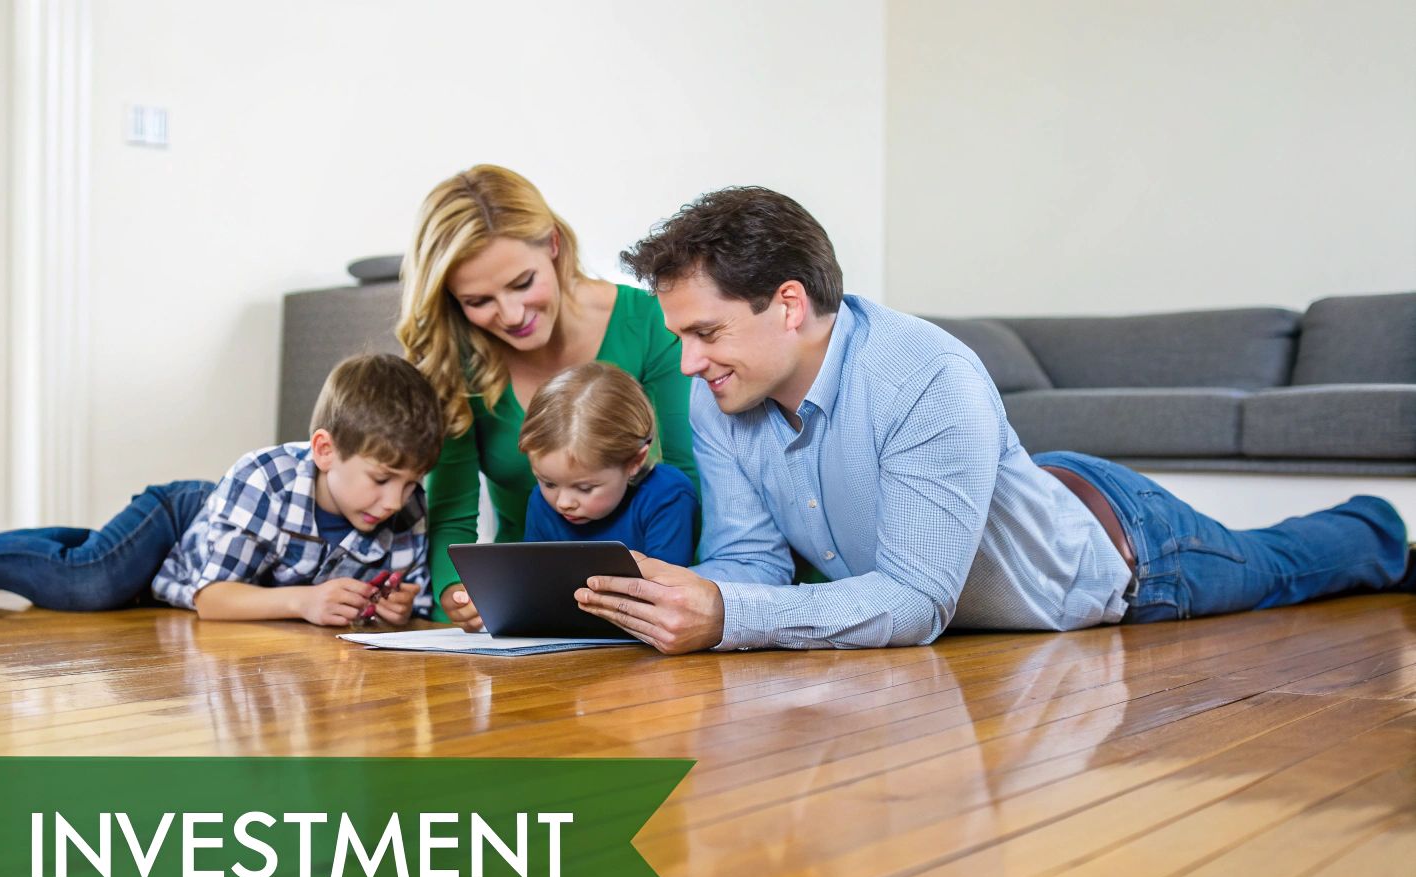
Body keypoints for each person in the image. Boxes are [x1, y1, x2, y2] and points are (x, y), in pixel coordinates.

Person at [573, 186, 1412, 653]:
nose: (685, 362)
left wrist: (730, 615)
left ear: (788, 305)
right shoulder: (721, 392)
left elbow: (915, 600)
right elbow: (751, 558)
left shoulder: (925, 376)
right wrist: (690, 598)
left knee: (1283, 568)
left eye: (705, 333)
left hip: (1117, 552)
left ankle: (1378, 528)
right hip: (1020, 497)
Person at [0, 354, 444, 627]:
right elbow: (214, 599)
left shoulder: (404, 512)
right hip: (180, 519)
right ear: (324, 451)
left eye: (411, 483)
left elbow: (407, 605)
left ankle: (78, 544)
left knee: (102, 571)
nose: (395, 501)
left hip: (202, 564)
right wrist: (303, 603)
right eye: (381, 479)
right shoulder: (262, 479)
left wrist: (390, 611)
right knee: (90, 580)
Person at [397, 164, 698, 630]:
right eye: (479, 301)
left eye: (522, 283)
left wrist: (689, 601)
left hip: (647, 598)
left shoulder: (650, 323)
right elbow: (451, 513)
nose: (512, 315)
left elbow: (693, 476)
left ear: (553, 245)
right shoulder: (455, 361)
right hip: (525, 604)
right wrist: (458, 593)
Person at [518, 361, 699, 566]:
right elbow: (534, 578)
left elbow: (667, 587)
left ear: (635, 461)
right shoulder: (541, 503)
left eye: (585, 488)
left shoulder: (667, 495)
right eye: (548, 483)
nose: (563, 503)